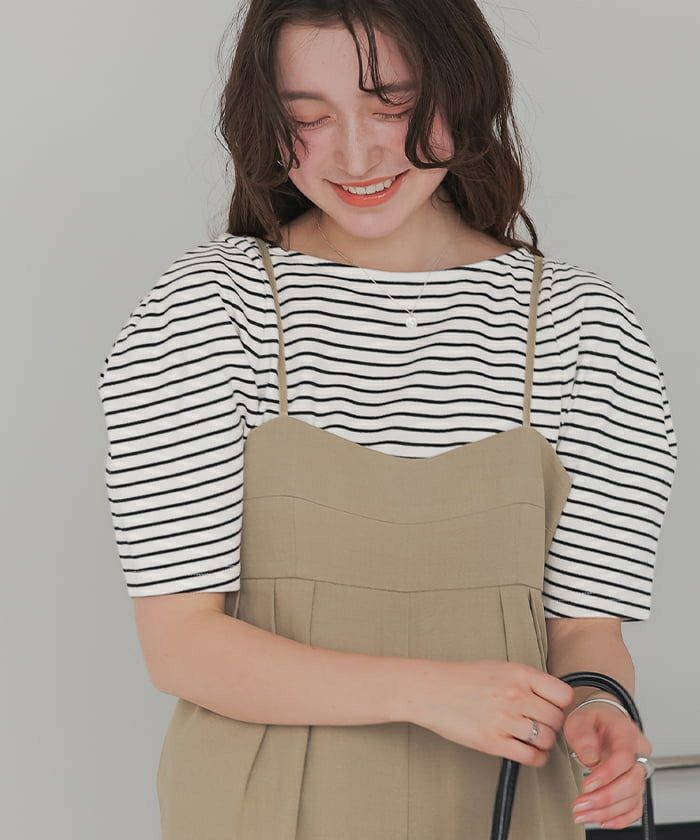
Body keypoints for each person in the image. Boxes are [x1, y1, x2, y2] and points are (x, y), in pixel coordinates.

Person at [97, 2, 677, 837]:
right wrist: (427, 692)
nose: (356, 154)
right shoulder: (205, 309)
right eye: (308, 117)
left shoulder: (585, 326)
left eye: (393, 106)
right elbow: (181, 645)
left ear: (464, 93)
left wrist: (600, 710)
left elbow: (585, 630)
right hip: (262, 810)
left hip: (507, 802)